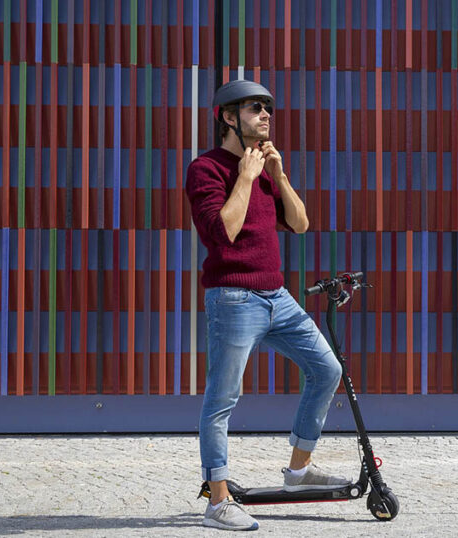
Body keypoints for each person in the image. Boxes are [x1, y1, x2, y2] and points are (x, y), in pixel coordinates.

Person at [185, 79, 350, 531]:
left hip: (277, 296)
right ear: (227, 117)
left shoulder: (266, 169)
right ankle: (218, 502)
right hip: (234, 298)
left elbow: (299, 224)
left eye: (267, 109)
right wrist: (245, 176)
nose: (266, 115)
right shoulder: (207, 169)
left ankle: (298, 471)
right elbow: (224, 233)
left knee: (327, 369)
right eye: (256, 108)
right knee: (223, 399)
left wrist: (278, 176)